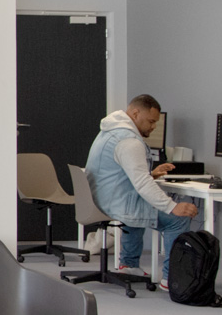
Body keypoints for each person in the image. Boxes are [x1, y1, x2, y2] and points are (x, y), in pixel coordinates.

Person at [84, 94, 199, 288]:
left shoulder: (110, 130)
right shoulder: (129, 141)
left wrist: (151, 174)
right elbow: (142, 183)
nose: (153, 127)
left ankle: (129, 265)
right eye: (151, 121)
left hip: (102, 198)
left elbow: (123, 175)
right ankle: (171, 280)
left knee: (140, 202)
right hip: (116, 203)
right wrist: (172, 207)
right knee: (177, 220)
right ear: (136, 113)